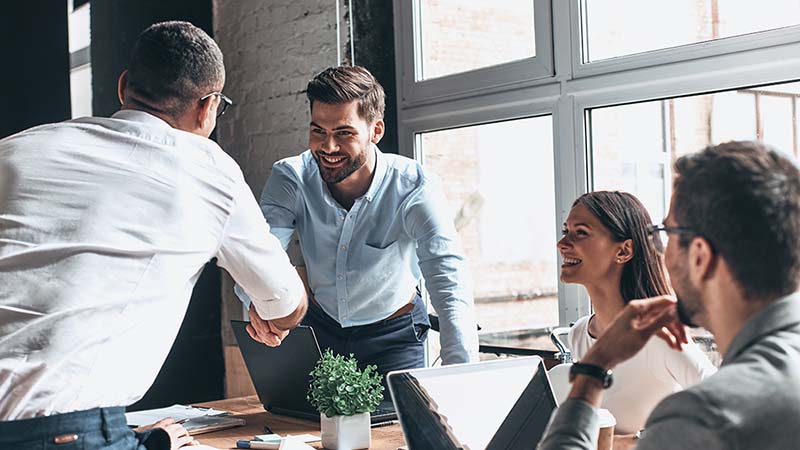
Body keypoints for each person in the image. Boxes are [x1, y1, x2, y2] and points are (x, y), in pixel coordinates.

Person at [0, 21, 307, 450]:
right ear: (208, 108)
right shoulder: (207, 169)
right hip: (66, 434)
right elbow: (287, 306)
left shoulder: (15, 149)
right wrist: (271, 312)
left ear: (124, 86)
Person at [539, 141, 800, 450]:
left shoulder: (700, 419)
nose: (659, 250)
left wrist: (592, 372)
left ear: (699, 255)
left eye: (667, 233)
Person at [237, 65, 478, 378]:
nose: (328, 147)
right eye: (318, 131)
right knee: (303, 425)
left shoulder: (415, 187)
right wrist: (258, 303)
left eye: (344, 133)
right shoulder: (291, 177)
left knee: (399, 427)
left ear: (375, 131)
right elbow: (259, 253)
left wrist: (461, 376)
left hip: (394, 337)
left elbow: (449, 279)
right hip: (320, 328)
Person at [558, 191, 715, 435]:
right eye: (565, 231)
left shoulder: (659, 338)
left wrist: (633, 443)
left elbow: (726, 407)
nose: (563, 244)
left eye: (581, 233)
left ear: (623, 251)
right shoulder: (579, 333)